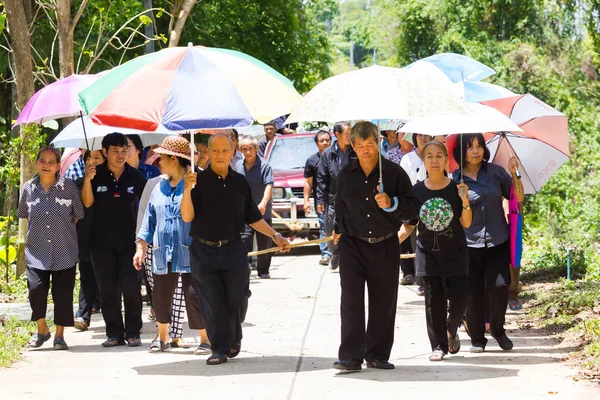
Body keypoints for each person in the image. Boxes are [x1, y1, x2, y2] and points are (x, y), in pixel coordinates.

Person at [181, 133, 290, 365]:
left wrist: (276, 235)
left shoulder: (240, 183)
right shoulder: (195, 181)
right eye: (215, 151)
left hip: (233, 250)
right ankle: (219, 348)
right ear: (207, 154)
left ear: (233, 153)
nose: (220, 155)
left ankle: (233, 337)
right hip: (203, 251)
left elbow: (252, 217)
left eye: (225, 150)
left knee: (238, 298)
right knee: (212, 301)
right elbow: (187, 215)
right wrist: (186, 189)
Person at [331, 121, 420, 371]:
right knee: (350, 301)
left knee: (383, 301)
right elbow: (339, 208)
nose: (365, 150)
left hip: (384, 245)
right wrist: (337, 231)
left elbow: (413, 208)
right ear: (353, 146)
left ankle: (378, 354)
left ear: (377, 143)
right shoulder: (346, 174)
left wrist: (392, 202)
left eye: (369, 144)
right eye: (359, 146)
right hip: (352, 245)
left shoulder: (393, 172)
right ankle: (350, 356)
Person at [135, 136, 210, 354]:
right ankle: (163, 338)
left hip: (190, 251)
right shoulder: (159, 187)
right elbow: (149, 220)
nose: (157, 160)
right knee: (160, 296)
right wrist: (140, 247)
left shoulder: (197, 184)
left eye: (162, 157)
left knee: (194, 295)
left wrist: (189, 189)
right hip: (161, 251)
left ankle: (205, 339)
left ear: (174, 160)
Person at [398, 141, 472, 361]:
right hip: (427, 253)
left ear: (446, 159)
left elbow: (466, 223)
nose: (434, 160)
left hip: (456, 252)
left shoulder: (457, 188)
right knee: (433, 302)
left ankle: (451, 327)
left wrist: (465, 200)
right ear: (423, 161)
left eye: (439, 155)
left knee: (460, 299)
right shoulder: (416, 191)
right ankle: (438, 346)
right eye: (429, 156)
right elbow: (409, 224)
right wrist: (391, 242)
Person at [452, 133, 524, 353]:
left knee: (500, 287)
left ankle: (498, 330)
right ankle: (476, 338)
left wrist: (515, 174)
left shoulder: (495, 172)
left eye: (479, 146)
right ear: (461, 151)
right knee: (473, 292)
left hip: (497, 239)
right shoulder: (455, 179)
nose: (476, 151)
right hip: (468, 243)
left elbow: (517, 198)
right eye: (470, 147)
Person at [82, 132, 147, 347]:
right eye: (115, 151)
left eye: (124, 150)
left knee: (130, 286)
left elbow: (147, 203)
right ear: (104, 152)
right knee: (107, 288)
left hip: (129, 242)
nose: (121, 155)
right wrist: (88, 180)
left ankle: (133, 332)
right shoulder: (95, 173)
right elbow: (88, 203)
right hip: (100, 243)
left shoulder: (134, 176)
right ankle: (114, 333)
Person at [18, 146, 84, 350]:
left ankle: (59, 336)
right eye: (42, 161)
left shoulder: (70, 187)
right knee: (36, 291)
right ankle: (42, 329)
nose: (46, 165)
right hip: (36, 252)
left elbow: (77, 214)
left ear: (58, 166)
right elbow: (25, 214)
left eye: (50, 162)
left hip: (65, 250)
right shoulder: (28, 188)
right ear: (37, 163)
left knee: (63, 295)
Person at [316, 121, 355, 271]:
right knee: (328, 230)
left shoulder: (355, 151)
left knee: (351, 229)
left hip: (353, 198)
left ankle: (349, 256)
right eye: (347, 133)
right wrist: (320, 199)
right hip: (333, 198)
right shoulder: (328, 154)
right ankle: (335, 252)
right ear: (337, 134)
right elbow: (321, 178)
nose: (350, 136)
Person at [235, 135, 275, 279]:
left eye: (250, 148)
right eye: (244, 149)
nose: (247, 152)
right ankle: (245, 269)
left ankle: (263, 271)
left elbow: (269, 185)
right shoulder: (238, 166)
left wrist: (263, 203)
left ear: (256, 149)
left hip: (262, 212)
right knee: (244, 241)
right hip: (244, 213)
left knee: (265, 243)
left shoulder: (265, 166)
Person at [74, 150, 105, 331]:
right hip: (85, 235)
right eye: (88, 158)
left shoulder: (110, 181)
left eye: (97, 158)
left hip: (107, 237)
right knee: (86, 276)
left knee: (108, 279)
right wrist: (87, 180)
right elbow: (84, 205)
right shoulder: (77, 183)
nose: (92, 161)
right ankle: (83, 316)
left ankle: (114, 320)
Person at [399, 133, 433, 295]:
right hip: (412, 201)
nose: (424, 138)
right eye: (420, 135)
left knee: (426, 240)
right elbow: (403, 181)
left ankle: (424, 280)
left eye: (427, 135)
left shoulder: (437, 154)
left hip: (433, 203)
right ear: (415, 138)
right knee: (407, 234)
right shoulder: (408, 158)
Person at [303, 130, 333, 266]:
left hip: (337, 198)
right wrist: (306, 201)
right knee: (324, 227)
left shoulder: (335, 157)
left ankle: (340, 253)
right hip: (321, 200)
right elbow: (308, 183)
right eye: (322, 141)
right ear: (317, 143)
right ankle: (326, 254)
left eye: (327, 140)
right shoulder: (312, 161)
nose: (325, 142)